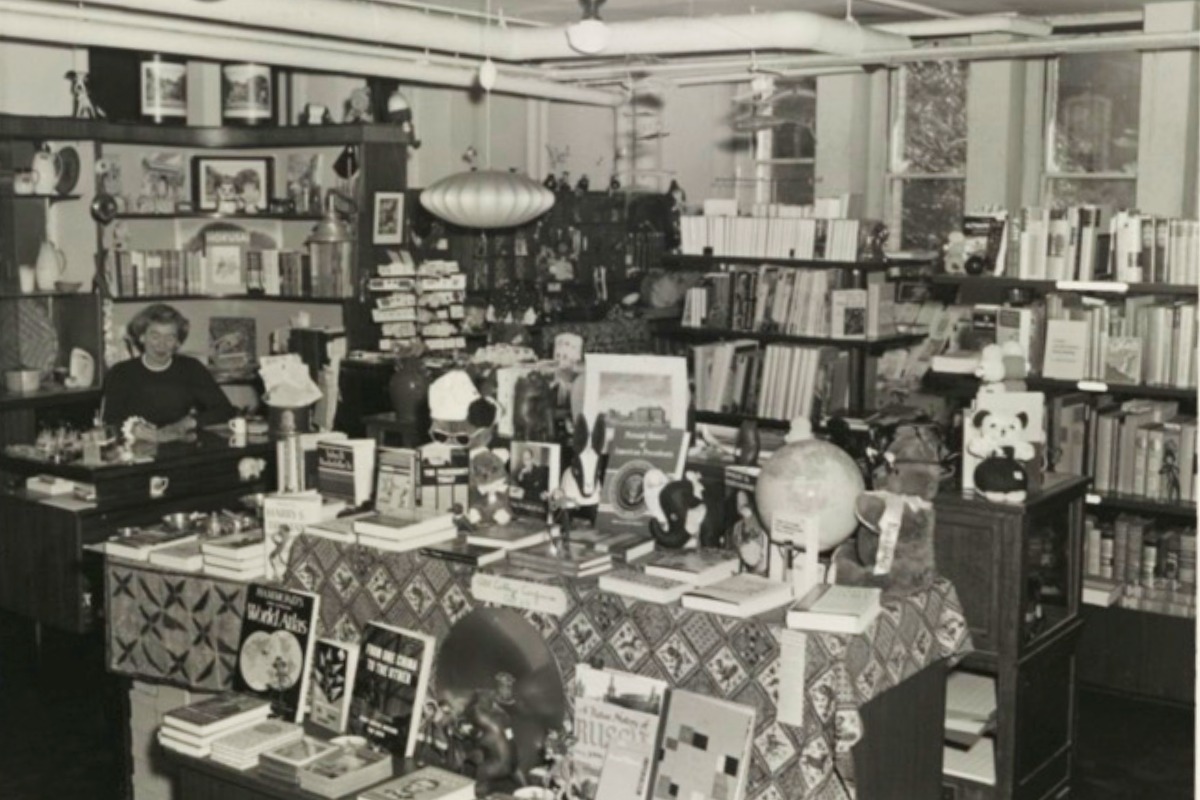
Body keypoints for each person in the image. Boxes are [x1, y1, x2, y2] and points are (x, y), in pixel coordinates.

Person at [101, 303, 235, 437]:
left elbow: (225, 410)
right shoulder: (121, 373)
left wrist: (188, 423)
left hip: (179, 446)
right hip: (136, 448)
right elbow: (110, 422)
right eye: (155, 336)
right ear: (142, 337)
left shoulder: (191, 368)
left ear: (178, 342)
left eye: (170, 337)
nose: (162, 344)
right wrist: (134, 430)